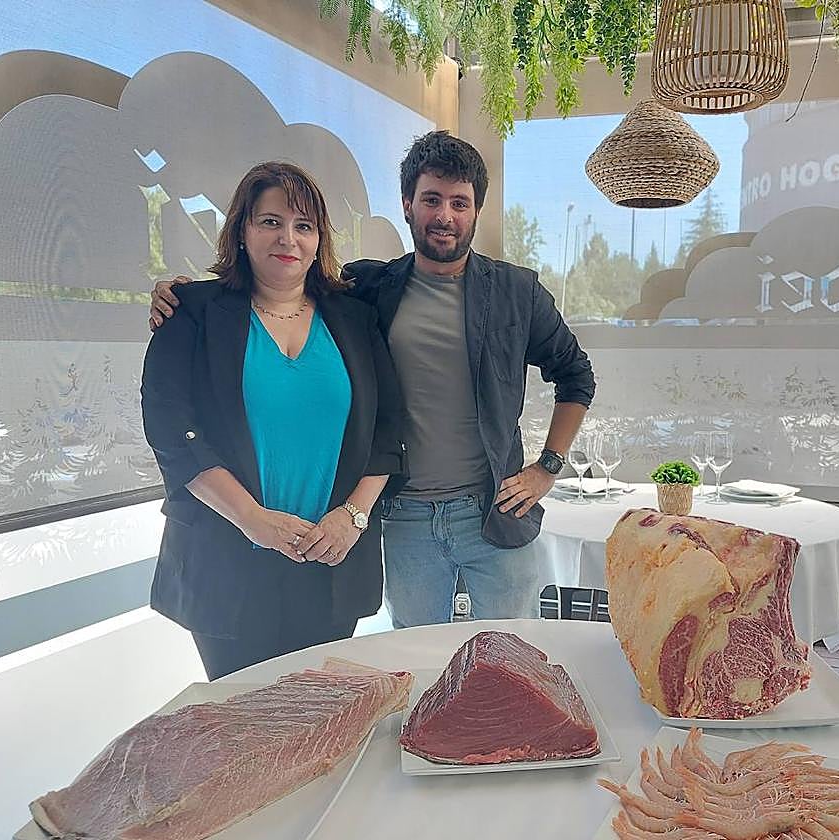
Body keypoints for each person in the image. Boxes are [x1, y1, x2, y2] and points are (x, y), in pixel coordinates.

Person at [150, 131, 595, 628]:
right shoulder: (365, 289)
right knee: (417, 669)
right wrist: (184, 296)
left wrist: (547, 467)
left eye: (459, 202)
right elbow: (289, 291)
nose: (444, 216)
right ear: (407, 205)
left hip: (492, 515)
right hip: (403, 520)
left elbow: (575, 376)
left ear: (476, 211)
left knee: (510, 661)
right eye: (431, 199)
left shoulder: (518, 292)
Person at [141, 161, 405, 679]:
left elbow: (389, 428)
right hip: (227, 561)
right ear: (242, 229)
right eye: (270, 221)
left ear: (319, 239)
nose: (288, 237)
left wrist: (352, 516)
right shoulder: (191, 311)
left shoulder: (354, 317)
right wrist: (253, 521)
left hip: (330, 556)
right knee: (242, 727)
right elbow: (172, 432)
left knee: (315, 722)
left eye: (304, 226)